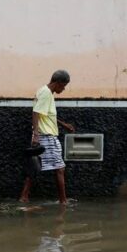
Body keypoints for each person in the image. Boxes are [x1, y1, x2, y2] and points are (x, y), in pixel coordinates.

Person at [19, 70, 75, 204]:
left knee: (35, 166)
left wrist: (63, 124)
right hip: (46, 136)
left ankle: (24, 196)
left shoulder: (45, 91)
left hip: (45, 135)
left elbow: (46, 114)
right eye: (64, 85)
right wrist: (36, 135)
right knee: (60, 169)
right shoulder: (45, 93)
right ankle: (63, 201)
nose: (64, 88)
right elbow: (36, 112)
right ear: (58, 83)